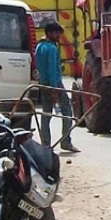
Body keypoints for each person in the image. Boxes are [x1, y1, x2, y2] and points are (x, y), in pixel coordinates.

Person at [35, 22, 78, 153]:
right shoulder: (52, 48)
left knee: (46, 114)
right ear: (50, 33)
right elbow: (52, 69)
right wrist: (54, 89)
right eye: (57, 33)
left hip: (43, 83)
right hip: (55, 84)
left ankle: (45, 144)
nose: (59, 36)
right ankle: (66, 141)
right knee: (67, 112)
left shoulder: (39, 46)